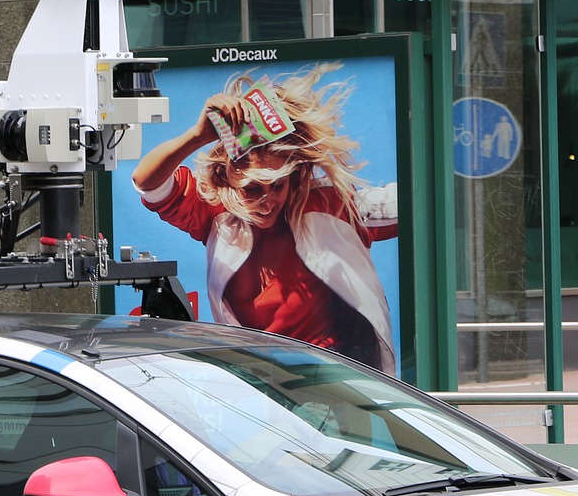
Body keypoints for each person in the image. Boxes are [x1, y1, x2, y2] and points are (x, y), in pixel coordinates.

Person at [132, 64, 398, 372]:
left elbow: (411, 202)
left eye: (278, 186)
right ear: (227, 178)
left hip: (336, 376)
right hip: (264, 381)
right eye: (253, 188)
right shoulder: (214, 214)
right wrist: (197, 135)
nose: (267, 200)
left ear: (293, 177)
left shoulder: (329, 202)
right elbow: (146, 182)